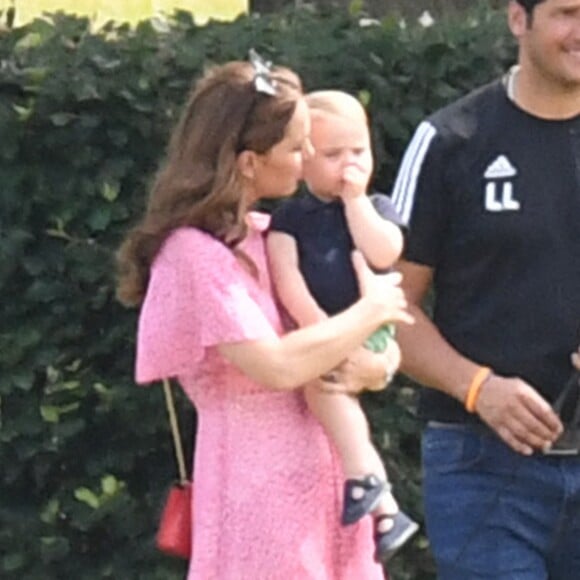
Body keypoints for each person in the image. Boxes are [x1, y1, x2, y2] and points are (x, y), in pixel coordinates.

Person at [116, 53, 413, 580]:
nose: (307, 159)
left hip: (332, 479)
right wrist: (371, 311)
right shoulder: (194, 252)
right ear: (250, 161)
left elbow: (339, 334)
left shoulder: (268, 235)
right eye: (296, 148)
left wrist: (379, 362)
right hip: (255, 489)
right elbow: (275, 364)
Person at [390, 0, 580, 578]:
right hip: (482, 466)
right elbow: (387, 309)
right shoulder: (450, 140)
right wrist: (478, 389)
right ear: (517, 20)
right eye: (568, 13)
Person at [267, 90, 419, 563]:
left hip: (370, 328)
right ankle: (383, 502)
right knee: (324, 388)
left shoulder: (376, 205)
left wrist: (356, 201)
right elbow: (287, 279)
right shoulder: (290, 216)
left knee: (325, 392)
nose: (349, 164)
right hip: (325, 330)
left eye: (359, 151)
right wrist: (325, 334)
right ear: (304, 160)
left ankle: (370, 484)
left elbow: (384, 253)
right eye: (333, 155)